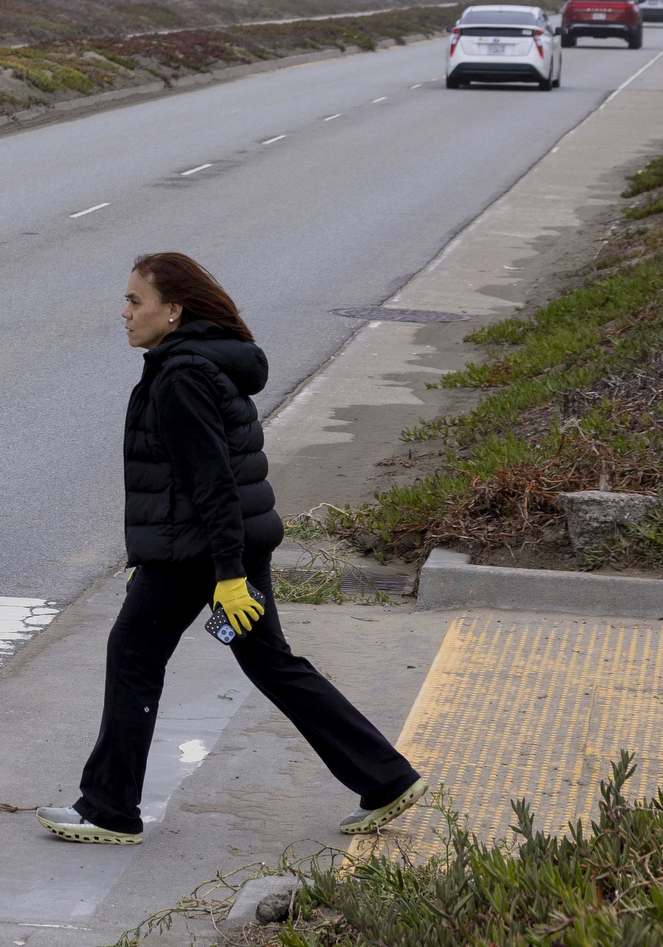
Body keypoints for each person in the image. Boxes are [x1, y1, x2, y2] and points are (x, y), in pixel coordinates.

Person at [39, 251, 425, 845]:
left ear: (173, 311)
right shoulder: (202, 363)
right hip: (220, 549)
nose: (124, 313)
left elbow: (211, 481)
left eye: (134, 301)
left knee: (134, 657)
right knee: (270, 662)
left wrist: (226, 575)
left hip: (199, 554)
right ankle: (386, 778)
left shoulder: (182, 376)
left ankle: (109, 809)